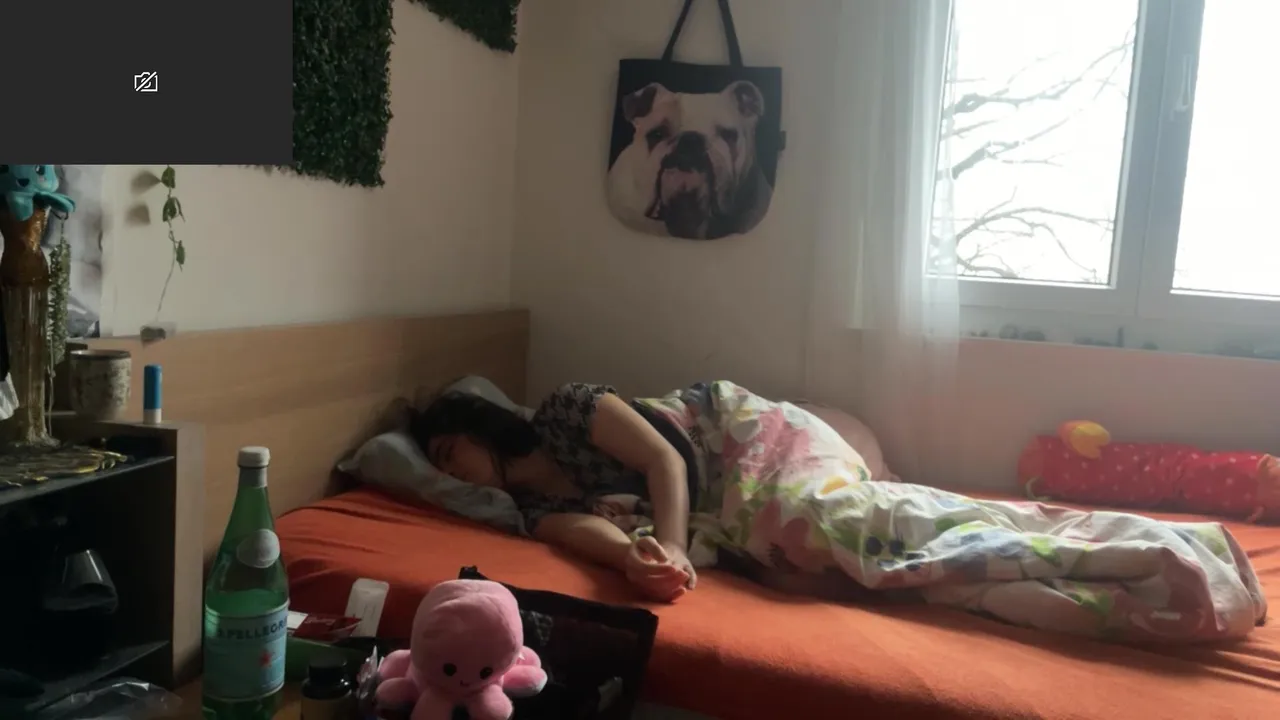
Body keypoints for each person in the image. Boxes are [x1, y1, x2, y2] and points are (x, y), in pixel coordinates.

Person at [409, 383, 699, 602]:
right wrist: (632, 558)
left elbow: (663, 458)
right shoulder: (528, 509)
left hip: (704, 435)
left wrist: (673, 544)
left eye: (448, 453)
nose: (451, 473)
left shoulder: (566, 410)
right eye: (442, 471)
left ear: (477, 427)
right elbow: (581, 529)